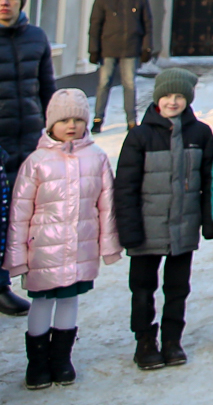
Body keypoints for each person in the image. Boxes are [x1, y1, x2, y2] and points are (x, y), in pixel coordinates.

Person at [5, 89, 120, 389]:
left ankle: (61, 358)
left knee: (69, 300)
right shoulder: (37, 161)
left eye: (78, 119)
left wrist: (108, 247)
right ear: (50, 124)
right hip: (41, 251)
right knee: (42, 302)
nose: (71, 125)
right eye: (64, 119)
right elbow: (19, 212)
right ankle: (37, 362)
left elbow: (107, 206)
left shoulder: (96, 158)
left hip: (79, 249)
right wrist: (16, 258)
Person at [113, 68, 213, 370]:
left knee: (177, 288)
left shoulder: (200, 134)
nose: (173, 102)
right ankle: (145, 341)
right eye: (167, 96)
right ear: (157, 98)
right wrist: (128, 231)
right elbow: (125, 187)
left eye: (180, 96)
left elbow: (210, 182)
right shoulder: (139, 136)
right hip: (147, 229)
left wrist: (209, 222)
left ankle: (172, 340)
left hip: (183, 229)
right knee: (143, 288)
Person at [0, 0, 54, 316]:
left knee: (23, 217)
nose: (5, 2)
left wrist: (52, 132)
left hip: (30, 141)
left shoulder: (36, 38)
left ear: (22, 2)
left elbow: (47, 87)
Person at [88, 0, 154, 134]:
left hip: (131, 49)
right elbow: (95, 24)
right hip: (108, 48)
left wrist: (147, 47)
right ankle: (97, 119)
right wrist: (93, 49)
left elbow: (147, 24)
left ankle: (131, 121)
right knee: (103, 84)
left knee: (129, 84)